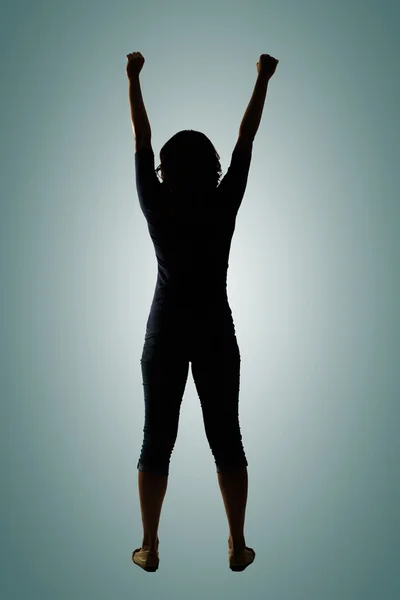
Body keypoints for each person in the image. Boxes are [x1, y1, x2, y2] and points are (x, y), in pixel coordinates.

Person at [126, 52, 279, 572]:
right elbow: (246, 141)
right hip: (214, 328)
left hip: (165, 329)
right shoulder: (221, 203)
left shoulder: (156, 201)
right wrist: (262, 80)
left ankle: (150, 545)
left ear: (166, 171)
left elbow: (141, 141)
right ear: (213, 170)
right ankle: (237, 543)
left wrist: (133, 78)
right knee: (226, 437)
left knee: (156, 439)